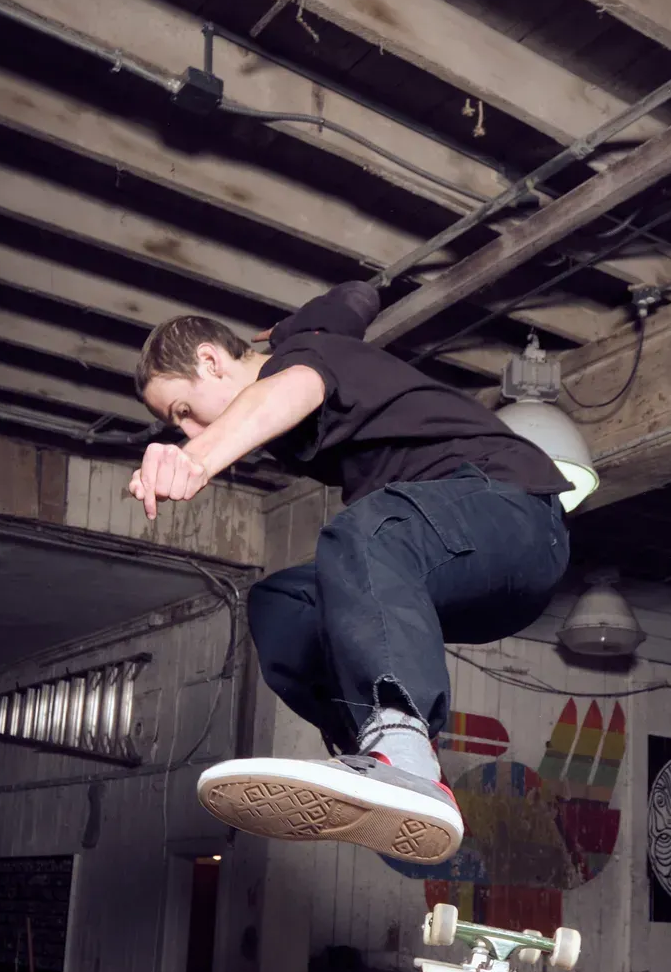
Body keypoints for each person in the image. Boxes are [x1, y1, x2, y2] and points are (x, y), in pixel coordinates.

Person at [130, 281, 570, 864]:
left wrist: (198, 457)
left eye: (182, 412)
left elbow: (288, 388)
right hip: (467, 575)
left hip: (511, 513)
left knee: (365, 532)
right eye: (178, 428)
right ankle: (383, 769)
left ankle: (401, 752)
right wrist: (362, 294)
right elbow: (351, 302)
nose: (186, 429)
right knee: (285, 604)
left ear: (210, 359)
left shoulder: (306, 360)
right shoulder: (313, 337)